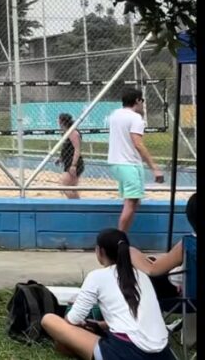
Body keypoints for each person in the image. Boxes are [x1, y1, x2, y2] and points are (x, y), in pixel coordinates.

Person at [42, 228, 174, 360]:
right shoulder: (143, 276)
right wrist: (100, 325)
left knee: (49, 320)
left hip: (125, 352)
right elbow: (134, 318)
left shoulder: (97, 276)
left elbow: (72, 320)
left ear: (100, 251)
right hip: (163, 354)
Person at [108, 90, 164, 232]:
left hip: (116, 163)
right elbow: (138, 143)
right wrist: (154, 167)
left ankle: (122, 236)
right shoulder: (136, 118)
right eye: (142, 101)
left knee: (134, 201)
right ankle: (120, 239)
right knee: (131, 203)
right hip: (129, 164)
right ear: (138, 101)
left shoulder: (115, 115)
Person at [130, 193, 197, 300]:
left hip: (188, 297)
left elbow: (152, 270)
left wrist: (130, 251)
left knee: (143, 272)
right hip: (187, 290)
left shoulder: (189, 243)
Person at [58, 113, 85, 200]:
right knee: (72, 188)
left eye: (59, 121)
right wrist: (61, 158)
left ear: (62, 122)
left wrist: (73, 165)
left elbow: (77, 149)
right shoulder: (66, 132)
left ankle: (78, 205)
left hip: (74, 163)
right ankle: (78, 205)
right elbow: (67, 148)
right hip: (68, 161)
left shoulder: (73, 133)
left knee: (64, 186)